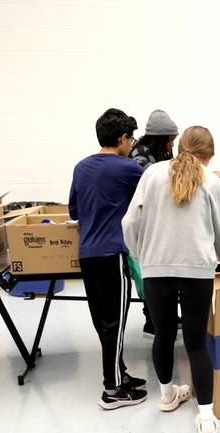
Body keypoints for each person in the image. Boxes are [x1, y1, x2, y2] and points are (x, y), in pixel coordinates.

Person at [122, 126, 220, 433]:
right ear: (208, 154)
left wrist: (140, 255)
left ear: (179, 147)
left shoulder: (153, 174)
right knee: (196, 342)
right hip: (196, 271)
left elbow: (129, 221)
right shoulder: (212, 182)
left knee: (162, 334)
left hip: (155, 269)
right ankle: (206, 417)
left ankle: (166, 395)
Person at [68, 108, 147, 410]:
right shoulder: (127, 168)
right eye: (131, 139)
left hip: (87, 255)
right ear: (123, 138)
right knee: (116, 322)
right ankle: (112, 389)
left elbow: (74, 211)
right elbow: (155, 195)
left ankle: (120, 374)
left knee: (104, 323)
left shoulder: (80, 167)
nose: (132, 145)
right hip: (113, 254)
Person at [128, 109, 179, 339]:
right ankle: (152, 322)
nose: (172, 143)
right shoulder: (140, 154)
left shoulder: (162, 152)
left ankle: (165, 317)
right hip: (146, 223)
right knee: (149, 276)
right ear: (160, 137)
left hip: (162, 221)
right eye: (170, 139)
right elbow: (152, 184)